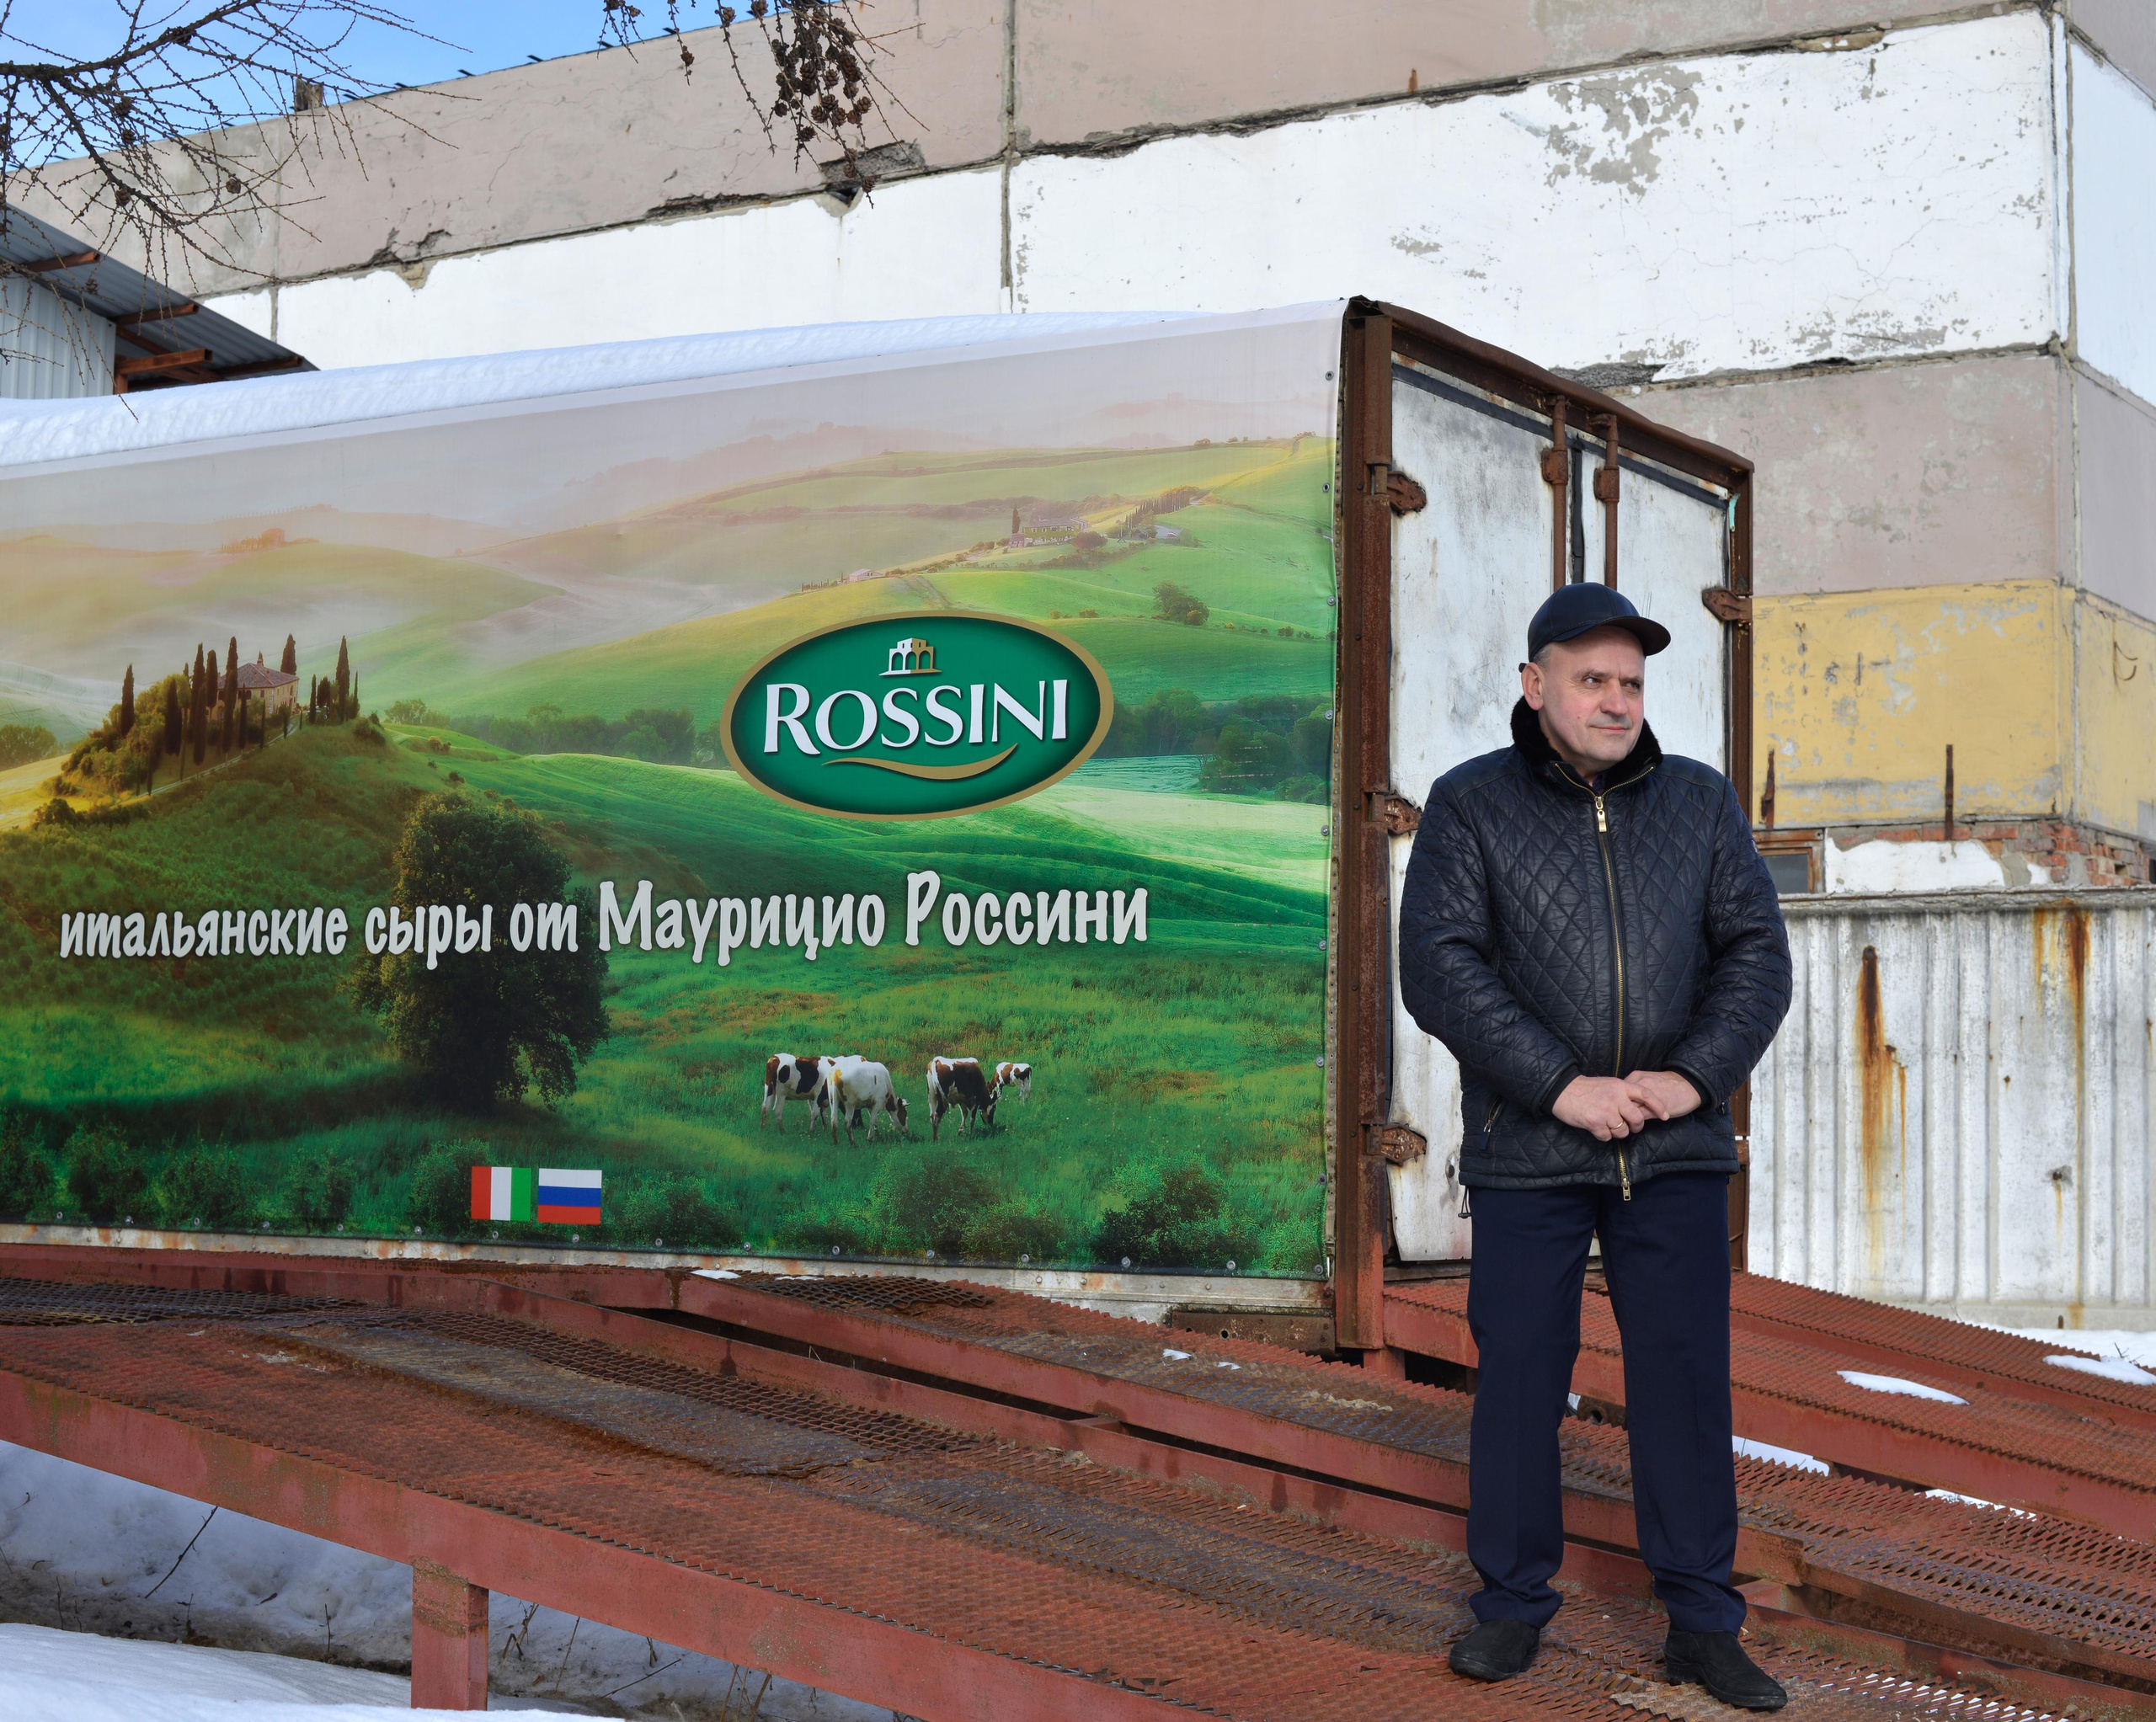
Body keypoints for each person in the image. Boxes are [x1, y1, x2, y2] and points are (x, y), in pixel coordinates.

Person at [1396, 582, 1793, 1711]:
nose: (1617, 700)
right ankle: (1513, 1606)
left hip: (1674, 1150)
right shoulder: (1470, 806)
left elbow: (1756, 954)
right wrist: (1561, 1086)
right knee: (1521, 1377)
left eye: (1631, 682)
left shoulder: (1701, 804)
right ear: (1536, 685)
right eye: (1592, 679)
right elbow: (1440, 965)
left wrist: (1690, 1077)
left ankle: (1703, 1622)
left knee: (1683, 1383)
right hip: (1532, 1149)